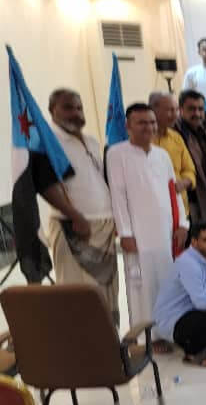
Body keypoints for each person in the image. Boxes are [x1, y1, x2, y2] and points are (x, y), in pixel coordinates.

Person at [107, 103, 188, 351]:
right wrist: (125, 233)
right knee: (142, 288)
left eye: (152, 122)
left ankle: (169, 329)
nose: (149, 127)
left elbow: (173, 192)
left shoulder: (162, 155)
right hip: (139, 235)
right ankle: (147, 337)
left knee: (167, 282)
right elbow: (118, 196)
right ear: (128, 126)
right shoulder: (117, 154)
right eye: (142, 122)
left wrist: (182, 223)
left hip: (166, 233)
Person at [39, 89, 119, 322]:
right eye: (68, 107)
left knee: (106, 292)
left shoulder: (91, 141)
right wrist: (75, 216)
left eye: (79, 107)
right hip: (73, 227)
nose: (76, 113)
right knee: (77, 293)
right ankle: (79, 342)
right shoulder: (48, 142)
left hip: (103, 226)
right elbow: (46, 185)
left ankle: (107, 340)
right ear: (52, 110)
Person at [153, 221, 206, 368]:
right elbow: (202, 302)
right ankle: (193, 352)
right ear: (194, 242)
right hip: (174, 320)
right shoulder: (188, 263)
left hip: (191, 309)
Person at [175, 90, 206, 224]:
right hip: (189, 201)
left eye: (200, 109)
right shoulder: (175, 133)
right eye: (191, 109)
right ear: (180, 109)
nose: (197, 113)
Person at [150, 92, 196, 215]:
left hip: (180, 208)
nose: (175, 115)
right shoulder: (143, 142)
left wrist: (184, 182)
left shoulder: (176, 138)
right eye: (170, 110)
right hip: (154, 210)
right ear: (153, 110)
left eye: (176, 110)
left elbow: (190, 170)